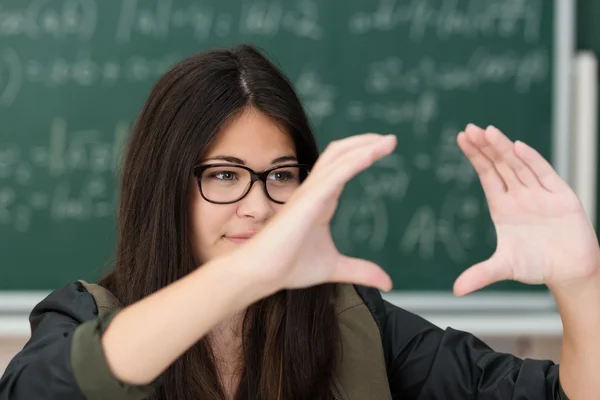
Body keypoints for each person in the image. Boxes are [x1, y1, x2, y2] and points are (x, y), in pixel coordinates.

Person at [0, 44, 597, 400]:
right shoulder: (85, 315)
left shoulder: (354, 322)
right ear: (164, 188)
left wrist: (580, 283)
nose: (258, 206)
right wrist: (245, 275)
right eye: (226, 176)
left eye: (281, 175)